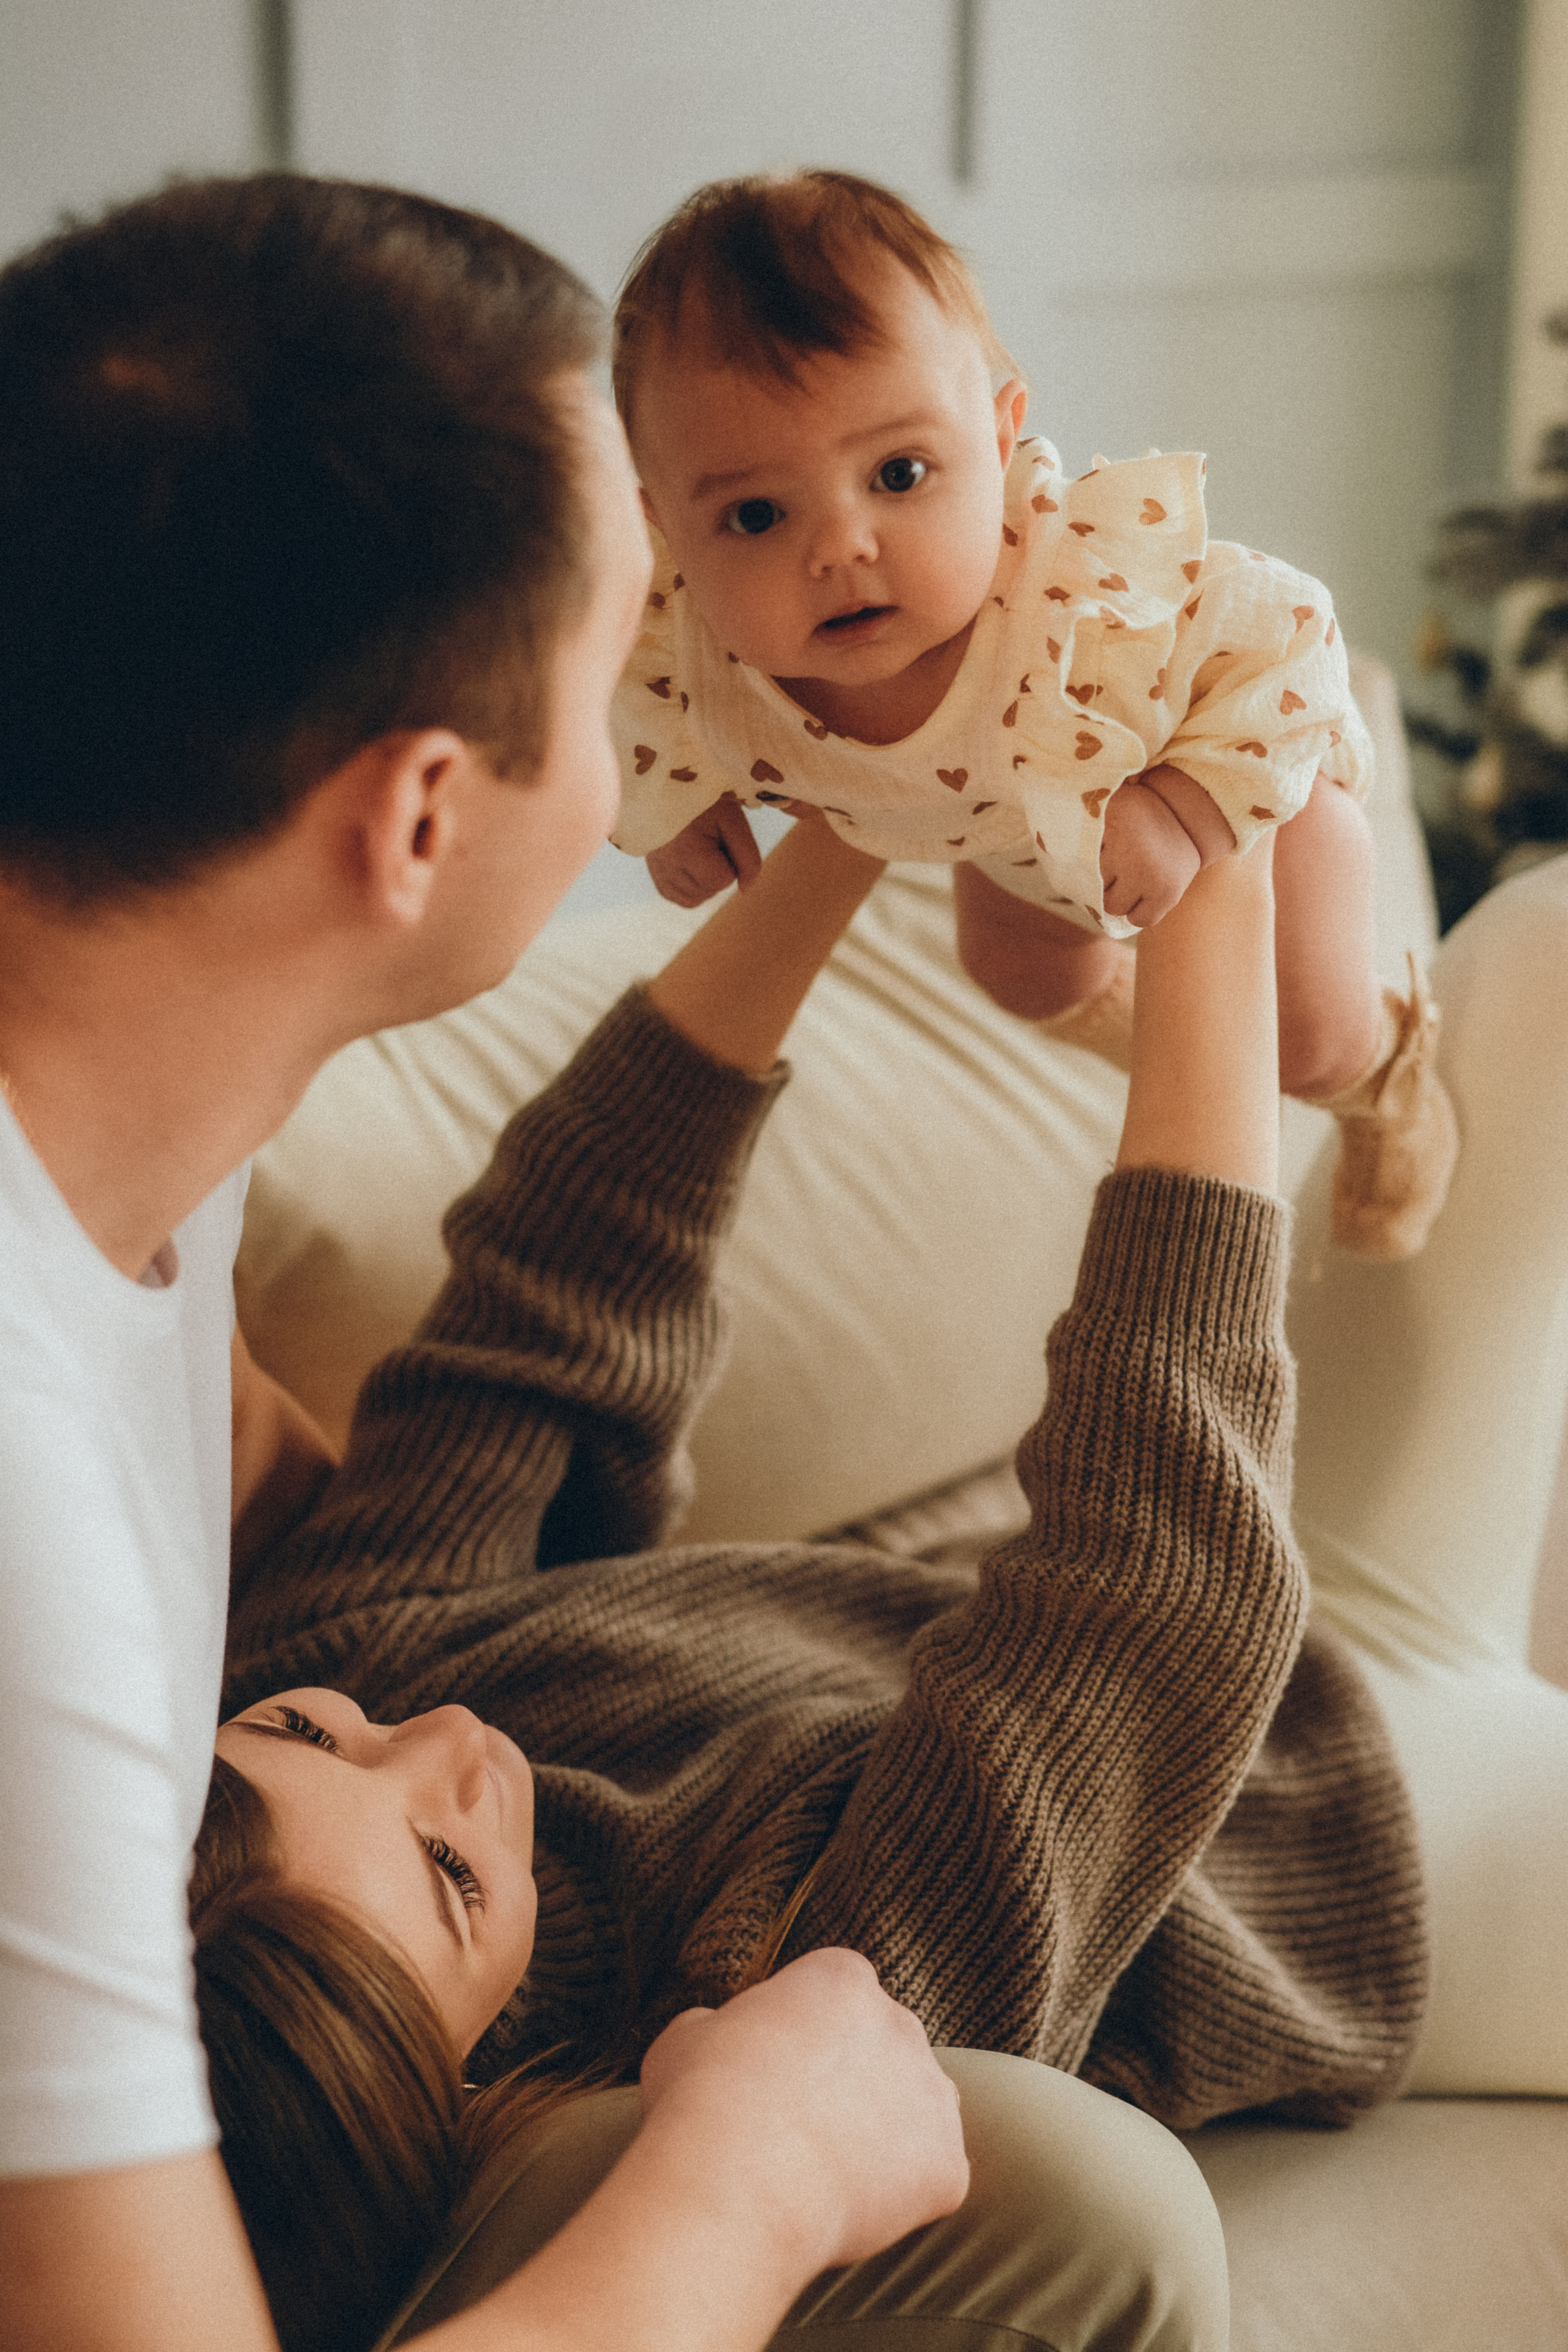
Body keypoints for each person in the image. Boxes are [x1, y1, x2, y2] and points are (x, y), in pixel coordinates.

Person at [0, 172, 981, 2352]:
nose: (697, 673)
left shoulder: (121, 1121)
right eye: (640, 629)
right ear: (423, 817)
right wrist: (751, 2176)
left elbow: (269, 1481)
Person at [203, 808, 1427, 2351]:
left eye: (306, 1737)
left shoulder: (327, 1646)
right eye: (450, 1878)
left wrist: (852, 816)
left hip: (1228, 1631)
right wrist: (1220, 880)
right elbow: (1145, 1599)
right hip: (1337, 1861)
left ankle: (1385, 1079)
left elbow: (545, 1314)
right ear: (454, 2098)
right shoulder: (771, 1992)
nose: (440, 1743)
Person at [606, 170, 1458, 1261]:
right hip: (1018, 841)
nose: (839, 547)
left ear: (1003, 437)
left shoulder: (1074, 596)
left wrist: (1188, 810)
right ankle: (1189, 1037)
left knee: (1307, 1041)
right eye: (756, 513)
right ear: (662, 523)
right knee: (1021, 976)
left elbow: (1288, 636)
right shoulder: (690, 638)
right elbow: (643, 703)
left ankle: (1392, 1081)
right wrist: (671, 803)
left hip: (1245, 787)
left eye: (899, 472)